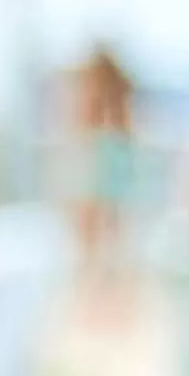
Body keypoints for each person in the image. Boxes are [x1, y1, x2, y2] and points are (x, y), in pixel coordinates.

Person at [61, 44, 138, 290]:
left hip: (104, 161)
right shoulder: (106, 140)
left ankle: (96, 273)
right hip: (107, 161)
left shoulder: (105, 146)